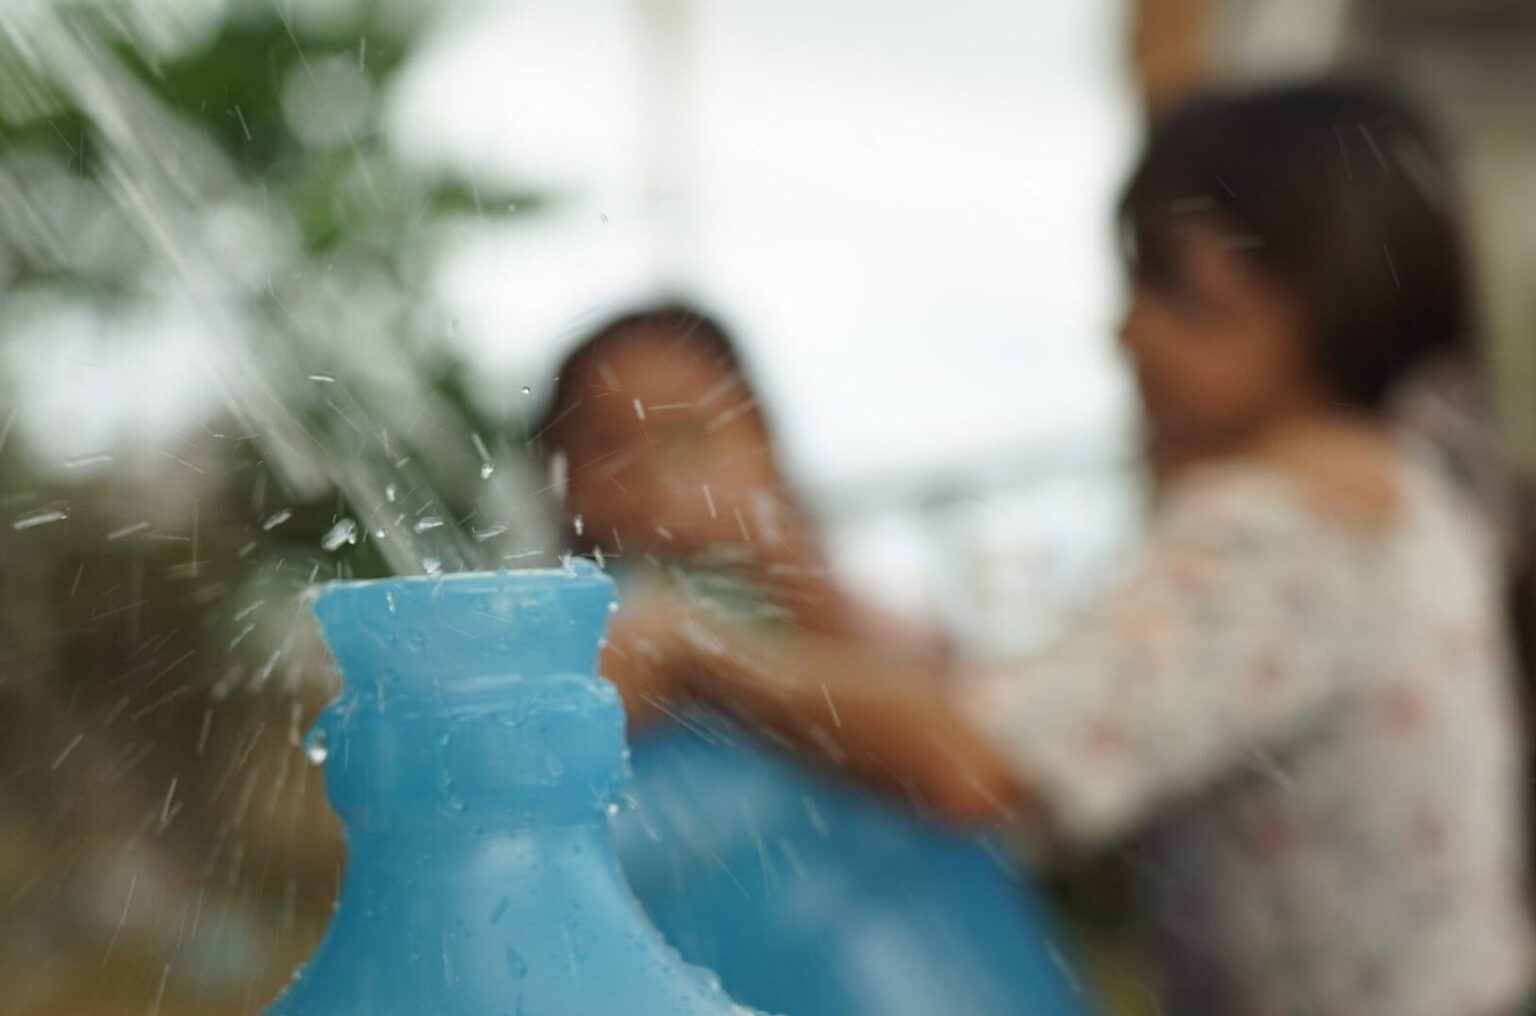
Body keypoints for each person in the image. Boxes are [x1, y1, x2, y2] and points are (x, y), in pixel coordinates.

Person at [607, 80, 1535, 1015]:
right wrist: (775, 551)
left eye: (1179, 294)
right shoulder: (1401, 477)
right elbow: (1013, 690)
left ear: (1323, 305)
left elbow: (983, 760)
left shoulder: (1280, 531)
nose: (1126, 332)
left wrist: (693, 649)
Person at [533, 305, 1090, 1016]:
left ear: (765, 445)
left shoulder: (849, 626)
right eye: (608, 448)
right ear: (565, 487)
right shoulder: (585, 660)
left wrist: (700, 645)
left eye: (686, 437)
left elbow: (964, 769)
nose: (653, 475)